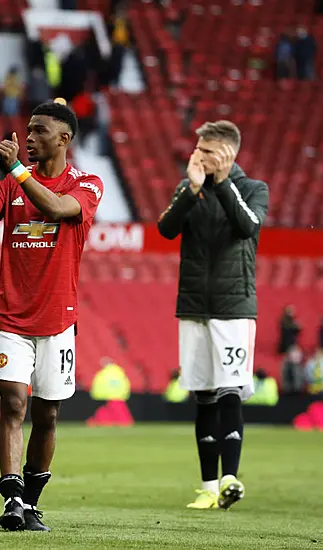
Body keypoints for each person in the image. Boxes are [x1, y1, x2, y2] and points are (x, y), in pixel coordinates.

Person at [0, 98, 104, 531]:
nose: (28, 138)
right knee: (14, 403)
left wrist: (16, 172)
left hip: (59, 322)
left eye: (39, 131)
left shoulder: (86, 183)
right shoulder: (9, 183)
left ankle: (31, 501)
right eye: (27, 131)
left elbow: (58, 209)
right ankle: (11, 498)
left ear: (64, 138)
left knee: (47, 415)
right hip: (11, 316)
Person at [158, 120, 269, 511]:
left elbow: (247, 227)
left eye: (205, 150)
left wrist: (221, 183)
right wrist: (191, 190)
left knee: (230, 389)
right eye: (198, 149)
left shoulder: (254, 189)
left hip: (233, 307)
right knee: (203, 393)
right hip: (193, 306)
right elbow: (166, 228)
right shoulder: (190, 188)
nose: (196, 155)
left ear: (226, 153)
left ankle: (230, 478)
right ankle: (208, 487)